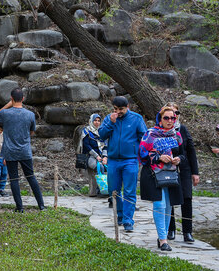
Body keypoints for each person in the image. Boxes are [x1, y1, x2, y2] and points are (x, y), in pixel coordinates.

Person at [98, 96, 147, 232]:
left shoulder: (136, 119)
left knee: (129, 191)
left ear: (127, 107)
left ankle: (128, 220)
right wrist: (111, 123)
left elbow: (144, 138)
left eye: (121, 109)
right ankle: (120, 216)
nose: (118, 111)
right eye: (115, 109)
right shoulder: (109, 118)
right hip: (113, 160)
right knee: (113, 190)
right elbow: (101, 135)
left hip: (130, 160)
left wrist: (138, 153)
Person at [138, 106, 184, 252]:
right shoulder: (151, 134)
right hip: (154, 174)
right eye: (166, 118)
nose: (170, 121)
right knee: (159, 205)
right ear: (160, 118)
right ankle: (163, 239)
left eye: (172, 118)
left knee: (169, 205)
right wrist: (158, 157)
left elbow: (183, 154)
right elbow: (142, 154)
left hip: (170, 174)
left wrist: (178, 159)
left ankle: (161, 238)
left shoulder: (177, 136)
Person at [0, 88, 45, 212]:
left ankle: (20, 207)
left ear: (11, 99)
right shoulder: (30, 114)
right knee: (31, 177)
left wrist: (7, 105)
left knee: (14, 179)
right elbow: (32, 131)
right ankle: (41, 205)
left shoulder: (5, 114)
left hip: (10, 151)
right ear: (23, 99)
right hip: (25, 150)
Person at [166, 102, 199, 243]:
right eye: (171, 114)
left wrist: (195, 172)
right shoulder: (162, 130)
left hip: (184, 168)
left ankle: (187, 232)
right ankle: (171, 229)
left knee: (187, 199)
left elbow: (191, 150)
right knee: (170, 200)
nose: (174, 116)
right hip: (168, 168)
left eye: (176, 113)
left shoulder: (183, 129)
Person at [79, 113, 107, 197]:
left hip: (101, 157)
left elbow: (105, 145)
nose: (97, 122)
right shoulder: (86, 131)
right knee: (100, 167)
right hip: (90, 156)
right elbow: (86, 146)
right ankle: (100, 190)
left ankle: (107, 190)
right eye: (95, 120)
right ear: (91, 121)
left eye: (99, 121)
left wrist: (105, 157)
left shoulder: (102, 132)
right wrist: (97, 156)